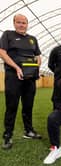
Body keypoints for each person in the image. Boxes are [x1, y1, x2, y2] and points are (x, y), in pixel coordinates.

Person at [0, 14, 42, 150]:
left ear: (27, 24)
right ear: (14, 23)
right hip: (13, 76)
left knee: (28, 106)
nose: (22, 25)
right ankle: (7, 135)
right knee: (11, 106)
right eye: (19, 22)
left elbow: (38, 56)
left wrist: (36, 67)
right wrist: (17, 67)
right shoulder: (8, 35)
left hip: (29, 79)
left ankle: (29, 131)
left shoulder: (32, 39)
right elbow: (2, 53)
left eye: (24, 22)